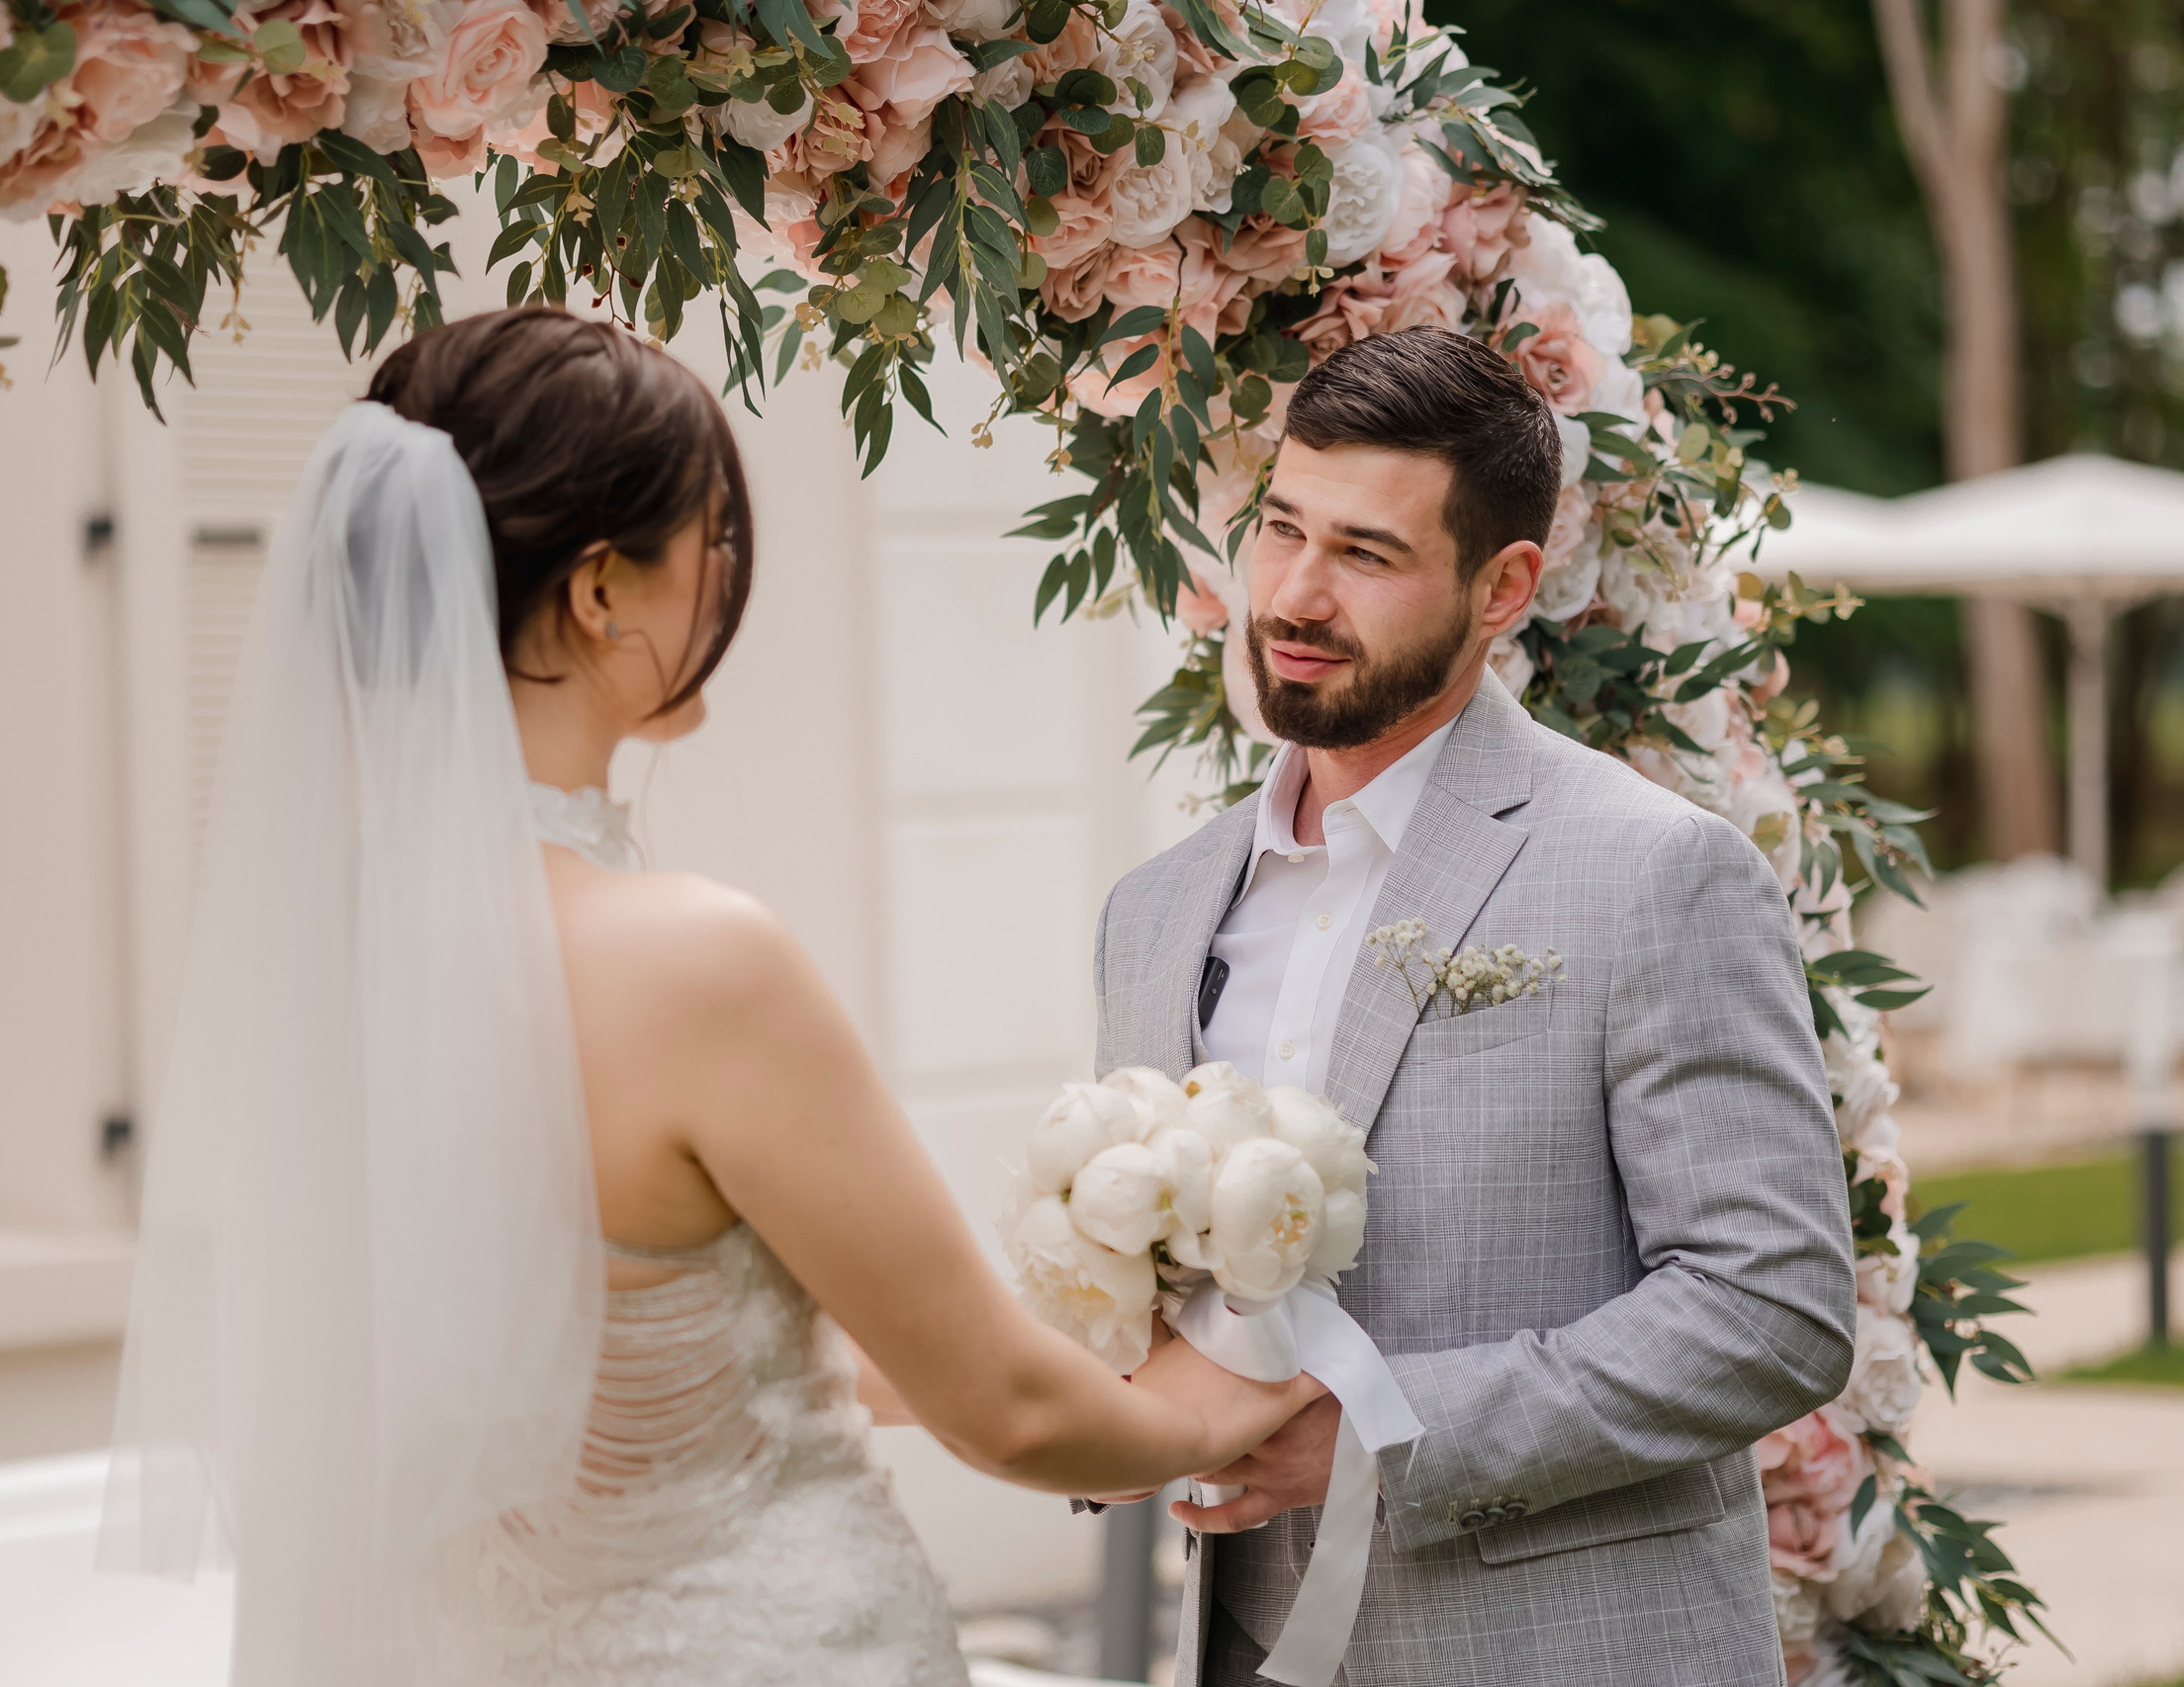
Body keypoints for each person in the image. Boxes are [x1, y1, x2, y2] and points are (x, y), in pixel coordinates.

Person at [101, 306, 1320, 1687]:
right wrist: (1252, 1397)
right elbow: (1013, 1414)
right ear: (601, 588)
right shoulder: (691, 962)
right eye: (710, 539)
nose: (728, 579)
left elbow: (544, 1355)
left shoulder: (331, 957)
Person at [1090, 327, 1857, 1686]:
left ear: (1504, 586)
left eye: (1367, 555)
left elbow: (1772, 1305)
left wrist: (1390, 1432)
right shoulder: (1155, 910)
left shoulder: (1654, 873)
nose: (1296, 595)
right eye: (1281, 529)